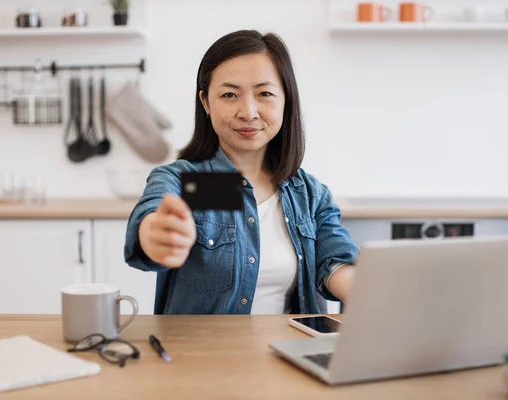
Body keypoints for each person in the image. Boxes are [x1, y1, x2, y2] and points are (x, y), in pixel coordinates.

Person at [124, 29, 359, 315]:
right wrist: (154, 234)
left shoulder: (311, 195)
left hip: (289, 355)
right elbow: (152, 215)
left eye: (265, 94)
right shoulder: (186, 182)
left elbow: (335, 262)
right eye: (229, 94)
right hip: (202, 356)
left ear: (286, 100)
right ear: (206, 102)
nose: (248, 112)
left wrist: (368, 291)